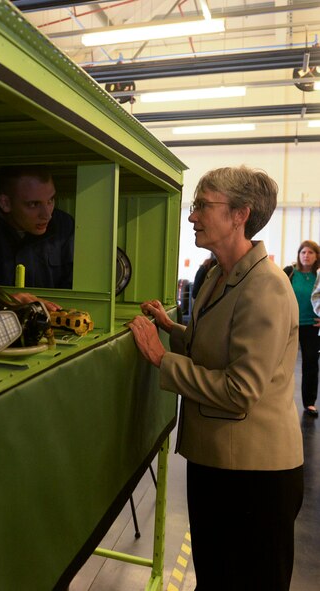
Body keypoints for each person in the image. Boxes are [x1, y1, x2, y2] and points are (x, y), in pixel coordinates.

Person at [128, 166, 303, 591]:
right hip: (218, 460)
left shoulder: (265, 287)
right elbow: (215, 343)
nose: (192, 216)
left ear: (240, 214)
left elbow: (239, 390)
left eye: (203, 205)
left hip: (254, 475)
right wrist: (171, 329)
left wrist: (161, 359)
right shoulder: (219, 275)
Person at [0, 165, 74, 293]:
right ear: (5, 203)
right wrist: (3, 299)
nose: (47, 215)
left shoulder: (63, 225)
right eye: (33, 204)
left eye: (50, 200)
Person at [284, 240, 320, 417]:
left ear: (317, 256)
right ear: (299, 255)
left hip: (312, 325)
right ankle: (280, 400)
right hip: (290, 325)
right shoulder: (289, 272)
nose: (306, 255)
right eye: (303, 252)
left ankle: (309, 403)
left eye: (310, 252)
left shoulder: (318, 276)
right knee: (283, 363)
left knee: (311, 364)